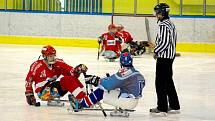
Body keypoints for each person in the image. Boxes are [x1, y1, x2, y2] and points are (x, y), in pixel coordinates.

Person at [72, 52, 145, 111]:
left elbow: (107, 85)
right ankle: (88, 101)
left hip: (127, 102)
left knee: (102, 90)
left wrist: (95, 80)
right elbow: (126, 83)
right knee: (114, 88)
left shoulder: (125, 73)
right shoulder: (136, 73)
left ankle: (82, 104)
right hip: (134, 101)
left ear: (121, 62)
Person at [150, 3, 180, 115]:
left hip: (164, 58)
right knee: (168, 81)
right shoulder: (170, 23)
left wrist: (156, 51)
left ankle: (162, 107)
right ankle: (174, 105)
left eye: (157, 12)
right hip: (169, 57)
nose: (156, 14)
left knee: (160, 82)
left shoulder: (163, 25)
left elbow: (164, 42)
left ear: (162, 13)